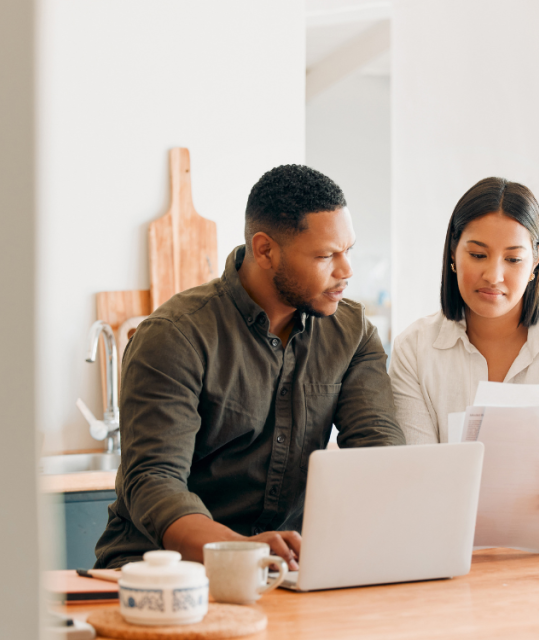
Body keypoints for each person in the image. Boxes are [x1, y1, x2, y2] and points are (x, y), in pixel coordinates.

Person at [95, 165, 405, 569]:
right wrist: (245, 553)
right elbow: (155, 482)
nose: (346, 271)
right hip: (165, 571)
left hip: (283, 570)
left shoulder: (352, 332)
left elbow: (378, 452)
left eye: (348, 251)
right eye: (326, 255)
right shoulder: (174, 336)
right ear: (265, 251)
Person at [389, 177, 539, 539]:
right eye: (478, 255)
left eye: (513, 258)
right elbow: (419, 478)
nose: (493, 275)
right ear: (454, 252)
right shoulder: (414, 350)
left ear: (536, 260)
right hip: (448, 556)